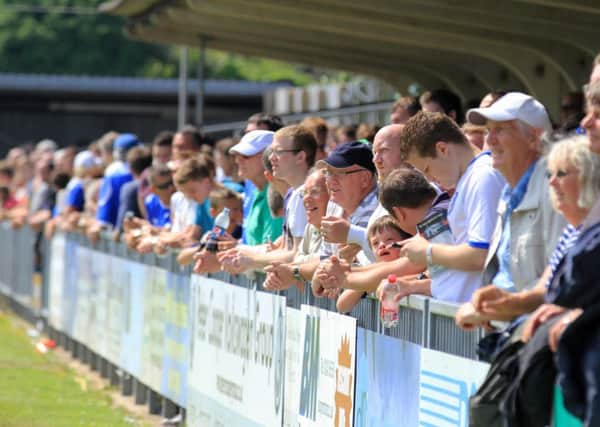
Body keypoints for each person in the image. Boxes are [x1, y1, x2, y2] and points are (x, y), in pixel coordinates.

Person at [466, 92, 566, 295]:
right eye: (488, 131)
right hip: (503, 321)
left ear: (534, 138)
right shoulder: (508, 192)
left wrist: (509, 307)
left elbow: (561, 276)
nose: (490, 140)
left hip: (529, 322)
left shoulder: (555, 188)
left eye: (500, 130)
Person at [336, 215, 411, 314]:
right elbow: (342, 306)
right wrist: (369, 283)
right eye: (375, 243)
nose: (382, 245)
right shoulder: (373, 272)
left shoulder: (413, 267)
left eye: (389, 239)